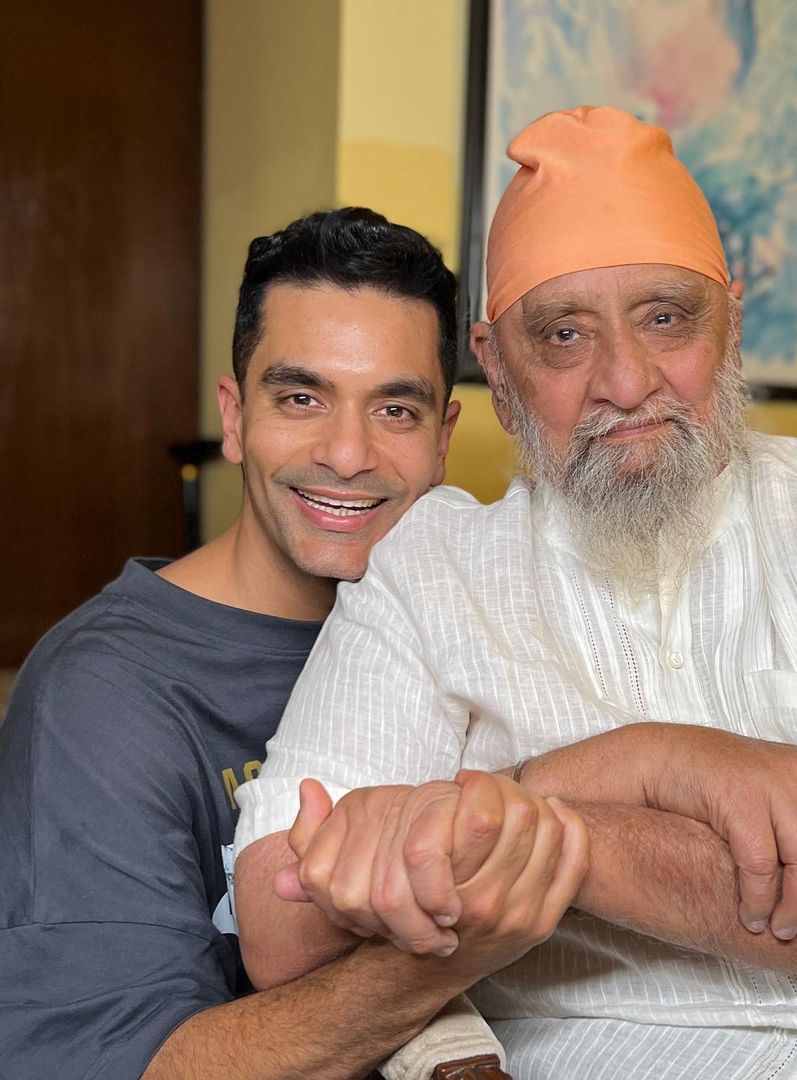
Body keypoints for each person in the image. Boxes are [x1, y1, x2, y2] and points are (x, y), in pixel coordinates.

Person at [235, 109, 797, 1079]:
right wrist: (655, 765)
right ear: (500, 374)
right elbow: (283, 916)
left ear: (731, 322)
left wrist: (543, 821)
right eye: (563, 336)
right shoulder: (429, 568)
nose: (627, 381)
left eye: (666, 318)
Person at [0, 206, 586, 1080]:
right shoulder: (104, 696)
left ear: (442, 443)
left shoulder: (493, 621)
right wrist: (459, 949)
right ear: (234, 418)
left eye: (395, 407)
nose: (347, 453)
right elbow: (121, 1064)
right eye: (301, 398)